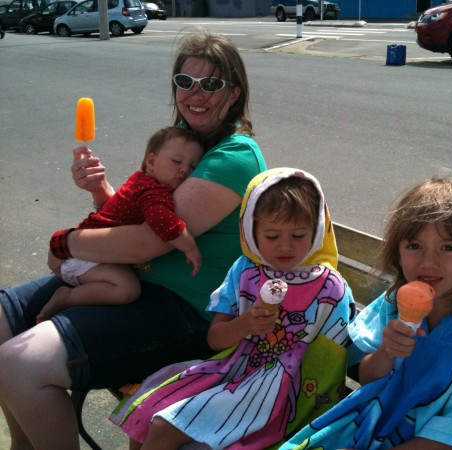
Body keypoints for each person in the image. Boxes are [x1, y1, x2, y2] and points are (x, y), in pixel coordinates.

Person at [0, 29, 267, 450]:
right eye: (185, 82)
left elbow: (149, 242)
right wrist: (100, 191)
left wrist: (66, 243)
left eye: (211, 84)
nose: (195, 93)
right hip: (126, 284)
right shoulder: (185, 140)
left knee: (18, 364)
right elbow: (135, 215)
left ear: (233, 94)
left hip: (183, 311)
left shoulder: (234, 157)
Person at [110, 168, 357, 450]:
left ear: (317, 230)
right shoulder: (245, 272)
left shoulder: (331, 287)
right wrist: (244, 325)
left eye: (298, 235)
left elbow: (333, 359)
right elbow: (215, 339)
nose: (285, 247)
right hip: (232, 371)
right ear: (250, 231)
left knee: (166, 426)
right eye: (272, 236)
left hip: (280, 393)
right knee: (149, 412)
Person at [280, 177, 452, 450]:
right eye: (414, 246)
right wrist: (387, 350)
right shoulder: (394, 304)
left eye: (448, 248)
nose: (428, 262)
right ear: (397, 252)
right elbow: (367, 379)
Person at [37, 126, 204, 324]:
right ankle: (67, 297)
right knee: (126, 289)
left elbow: (115, 208)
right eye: (176, 161)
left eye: (193, 166)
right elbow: (163, 221)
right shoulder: (154, 191)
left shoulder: (140, 180)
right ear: (151, 162)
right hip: (86, 256)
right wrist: (189, 246)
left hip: (88, 248)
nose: (185, 169)